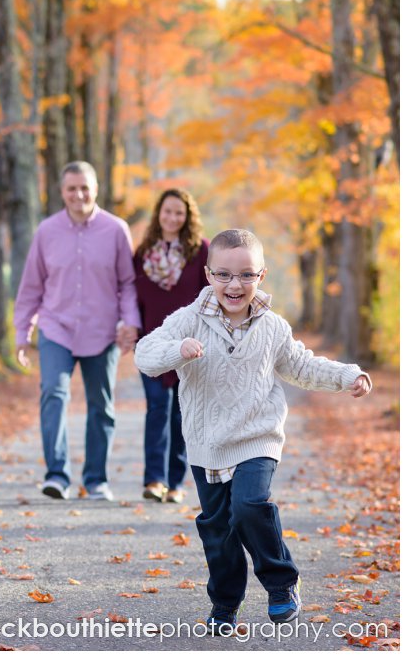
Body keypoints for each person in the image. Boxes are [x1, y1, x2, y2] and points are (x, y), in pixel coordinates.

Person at [134, 228, 371, 634]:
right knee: (219, 531)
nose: (234, 285)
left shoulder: (273, 327)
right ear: (209, 274)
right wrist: (179, 350)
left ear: (261, 276)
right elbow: (145, 354)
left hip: (257, 436)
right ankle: (225, 606)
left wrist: (347, 375)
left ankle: (282, 585)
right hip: (207, 441)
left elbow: (301, 365)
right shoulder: (188, 319)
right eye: (224, 274)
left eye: (245, 275)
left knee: (249, 505)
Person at [14, 161, 141, 501]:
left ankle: (96, 479)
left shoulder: (116, 230)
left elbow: (128, 284)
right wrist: (22, 335)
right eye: (72, 188)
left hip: (102, 333)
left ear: (95, 189)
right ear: (62, 192)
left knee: (101, 404)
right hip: (57, 328)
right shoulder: (47, 231)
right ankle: (57, 475)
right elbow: (30, 288)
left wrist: (131, 323)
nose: (79, 194)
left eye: (84, 187)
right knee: (53, 395)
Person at [133, 189, 209, 504]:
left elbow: (209, 297)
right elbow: (133, 297)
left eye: (180, 212)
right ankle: (154, 480)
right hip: (152, 342)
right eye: (168, 211)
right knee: (156, 408)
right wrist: (133, 332)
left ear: (188, 216)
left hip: (188, 344)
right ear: (158, 214)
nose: (173, 218)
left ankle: (176, 483)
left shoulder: (201, 252)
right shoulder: (142, 253)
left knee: (180, 413)